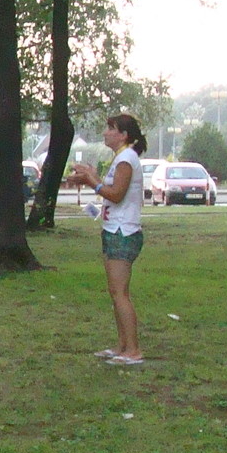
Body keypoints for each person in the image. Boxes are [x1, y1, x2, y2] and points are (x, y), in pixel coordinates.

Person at [69, 113, 147, 366]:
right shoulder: (121, 158)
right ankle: (122, 346)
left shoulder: (126, 159)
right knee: (116, 292)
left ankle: (133, 350)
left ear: (123, 135)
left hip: (123, 232)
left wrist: (91, 181)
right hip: (114, 229)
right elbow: (112, 189)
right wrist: (92, 176)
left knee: (120, 293)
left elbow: (116, 194)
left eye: (110, 128)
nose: (105, 133)